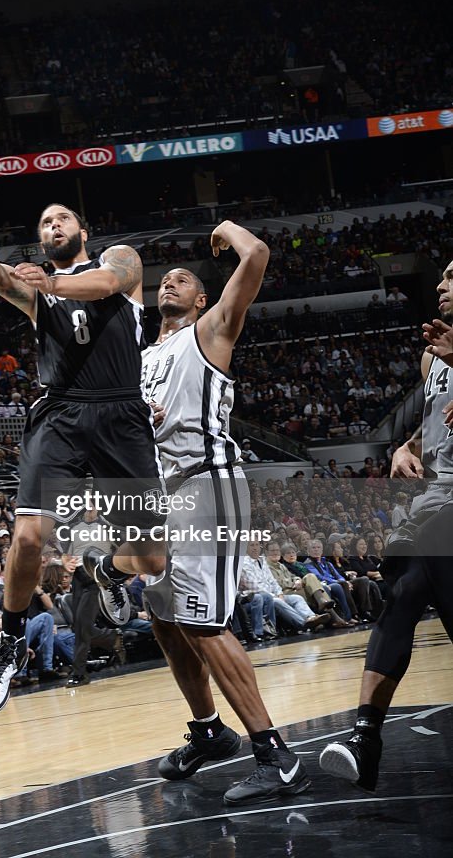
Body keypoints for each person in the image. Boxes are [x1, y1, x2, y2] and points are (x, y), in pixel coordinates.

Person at [0, 183, 164, 715]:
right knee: (26, 534)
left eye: (62, 218)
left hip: (120, 414)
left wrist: (55, 282)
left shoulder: (120, 262)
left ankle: (109, 570)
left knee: (152, 559)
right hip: (61, 412)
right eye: (44, 224)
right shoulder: (39, 293)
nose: (53, 227)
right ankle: (11, 641)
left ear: (82, 231)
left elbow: (104, 283)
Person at [140, 221, 310, 804]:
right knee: (162, 614)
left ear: (202, 299)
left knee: (203, 622)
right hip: (167, 497)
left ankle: (276, 754)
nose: (171, 283)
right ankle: (210, 732)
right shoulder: (143, 359)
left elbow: (258, 255)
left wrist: (226, 231)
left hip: (208, 487)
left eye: (183, 279)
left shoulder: (210, 331)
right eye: (164, 279)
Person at [320, 274, 453, 792]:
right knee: (397, 598)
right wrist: (406, 447)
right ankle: (365, 738)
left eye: (451, 274)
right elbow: (431, 425)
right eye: (438, 275)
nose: (441, 282)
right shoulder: (431, 356)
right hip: (437, 499)